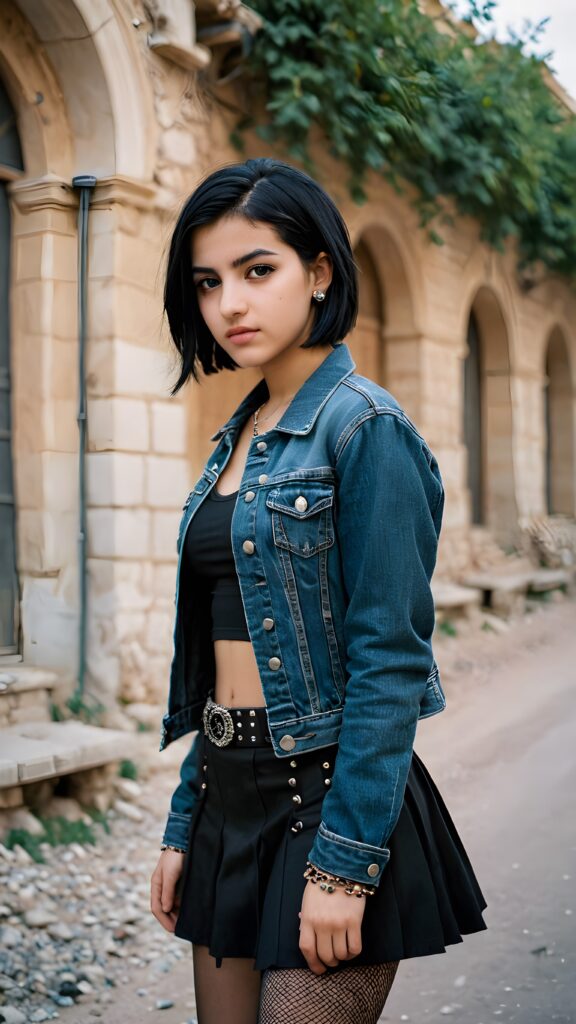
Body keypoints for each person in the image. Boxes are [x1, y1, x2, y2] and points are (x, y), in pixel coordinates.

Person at [150, 157, 487, 1024]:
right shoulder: (235, 442)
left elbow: (390, 660)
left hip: (329, 800)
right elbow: (225, 651)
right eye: (208, 281)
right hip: (228, 800)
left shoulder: (366, 429)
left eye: (258, 270)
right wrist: (187, 819)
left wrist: (343, 865)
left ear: (320, 271)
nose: (230, 303)